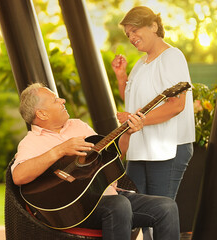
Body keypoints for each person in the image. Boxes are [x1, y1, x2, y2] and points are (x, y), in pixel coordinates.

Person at [11, 83, 180, 240]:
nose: (62, 100)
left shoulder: (77, 126)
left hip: (109, 195)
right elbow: (19, 176)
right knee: (119, 205)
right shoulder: (32, 141)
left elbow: (111, 158)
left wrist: (127, 133)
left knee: (166, 207)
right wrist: (60, 150)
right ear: (42, 113)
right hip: (77, 208)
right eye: (55, 100)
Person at [111, 6, 195, 201]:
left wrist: (137, 120)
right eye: (128, 33)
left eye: (135, 30)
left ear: (154, 26)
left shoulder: (172, 57)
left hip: (169, 147)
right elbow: (132, 100)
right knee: (137, 210)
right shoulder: (141, 63)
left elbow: (176, 105)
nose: (131, 37)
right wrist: (121, 76)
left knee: (160, 213)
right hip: (141, 147)